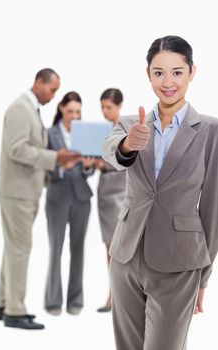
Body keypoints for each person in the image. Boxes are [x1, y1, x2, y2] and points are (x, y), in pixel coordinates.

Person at [102, 35, 218, 350]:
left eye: (177, 72)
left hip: (179, 261)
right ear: (148, 73)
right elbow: (111, 153)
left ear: (192, 72)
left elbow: (212, 209)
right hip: (126, 257)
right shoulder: (128, 124)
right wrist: (129, 144)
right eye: (159, 72)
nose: (167, 82)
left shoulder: (211, 130)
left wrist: (203, 277)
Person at [0, 69, 81, 330]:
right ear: (38, 82)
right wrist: (55, 158)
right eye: (52, 90)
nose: (53, 96)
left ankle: (4, 304)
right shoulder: (21, 108)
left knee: (13, 249)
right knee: (20, 249)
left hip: (24, 190)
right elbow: (17, 149)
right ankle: (15, 311)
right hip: (18, 191)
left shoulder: (31, 110)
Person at [44, 91, 95, 316]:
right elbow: (43, 164)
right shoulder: (49, 134)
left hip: (81, 198)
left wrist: (86, 165)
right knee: (56, 249)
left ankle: (75, 299)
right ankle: (53, 301)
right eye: (71, 110)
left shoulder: (84, 134)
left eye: (78, 111)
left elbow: (91, 169)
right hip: (57, 196)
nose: (74, 115)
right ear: (61, 109)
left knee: (78, 249)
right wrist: (60, 168)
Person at [95, 89, 126, 312]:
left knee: (120, 246)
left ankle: (121, 295)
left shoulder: (125, 129)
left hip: (121, 191)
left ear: (119, 106)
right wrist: (93, 164)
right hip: (105, 191)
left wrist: (104, 163)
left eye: (109, 107)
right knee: (109, 246)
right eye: (102, 107)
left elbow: (126, 160)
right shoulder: (100, 131)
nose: (105, 112)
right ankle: (113, 294)